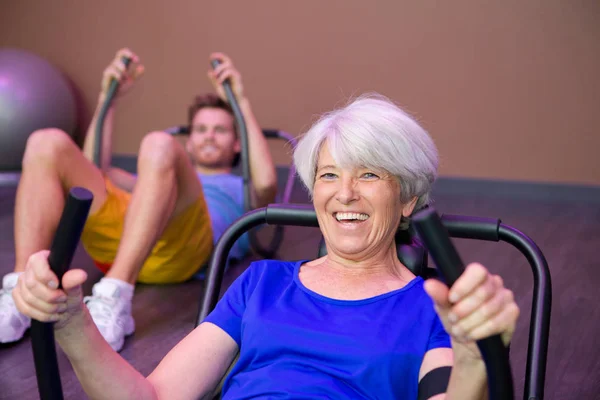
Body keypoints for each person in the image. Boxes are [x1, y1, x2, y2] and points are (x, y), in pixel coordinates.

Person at [12, 94, 520, 399]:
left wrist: (476, 352)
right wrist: (73, 326)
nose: (344, 193)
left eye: (369, 174)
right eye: (328, 175)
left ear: (408, 198)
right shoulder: (261, 283)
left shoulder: (431, 309)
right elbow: (155, 396)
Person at [0, 48, 277, 351]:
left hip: (182, 251)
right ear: (191, 142)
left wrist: (241, 102)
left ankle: (116, 292)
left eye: (220, 130)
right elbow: (94, 172)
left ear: (238, 144)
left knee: (158, 142)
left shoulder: (240, 186)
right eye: (201, 129)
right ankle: (19, 290)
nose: (209, 136)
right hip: (128, 239)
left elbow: (265, 182)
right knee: (46, 142)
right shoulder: (153, 177)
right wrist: (111, 98)